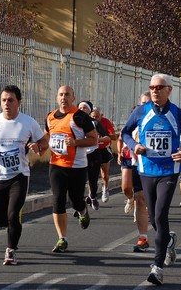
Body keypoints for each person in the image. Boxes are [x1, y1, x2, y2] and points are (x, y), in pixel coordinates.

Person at [121, 74, 181, 285]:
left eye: (159, 87)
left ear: (169, 90)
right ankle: (169, 239)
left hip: (169, 169)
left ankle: (157, 267)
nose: (155, 90)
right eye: (152, 87)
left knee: (160, 214)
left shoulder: (177, 113)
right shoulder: (141, 111)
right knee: (155, 219)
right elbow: (125, 132)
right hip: (146, 169)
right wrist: (133, 146)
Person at [0, 85, 49, 265]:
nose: (7, 103)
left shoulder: (28, 122)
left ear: (19, 102)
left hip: (19, 175)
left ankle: (11, 250)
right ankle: (11, 223)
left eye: (10, 100)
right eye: (4, 100)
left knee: (12, 214)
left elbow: (43, 141)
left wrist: (37, 147)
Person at [45, 85, 97, 252]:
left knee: (75, 200)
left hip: (77, 166)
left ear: (73, 97)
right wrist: (39, 145)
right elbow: (47, 135)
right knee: (58, 200)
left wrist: (76, 143)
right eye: (60, 94)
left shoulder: (81, 117)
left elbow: (93, 140)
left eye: (67, 94)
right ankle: (62, 238)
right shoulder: (50, 117)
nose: (63, 97)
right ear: (56, 97)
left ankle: (83, 211)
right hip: (56, 165)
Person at [117, 91, 150, 252]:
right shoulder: (134, 118)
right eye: (142, 103)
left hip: (148, 164)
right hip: (131, 159)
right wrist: (122, 150)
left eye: (147, 103)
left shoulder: (159, 120)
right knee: (127, 189)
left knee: (142, 198)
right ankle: (130, 199)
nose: (144, 106)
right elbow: (123, 135)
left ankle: (143, 237)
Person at [78, 101, 111, 210]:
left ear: (89, 110)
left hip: (93, 154)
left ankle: (92, 196)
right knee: (79, 181)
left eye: (85, 108)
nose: (82, 109)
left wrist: (97, 139)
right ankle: (80, 204)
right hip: (78, 155)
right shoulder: (72, 122)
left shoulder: (94, 123)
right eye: (80, 107)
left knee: (93, 179)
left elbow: (107, 137)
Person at [90, 106, 116, 203]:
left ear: (101, 116)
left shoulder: (106, 122)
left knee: (104, 173)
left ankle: (105, 188)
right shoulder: (88, 123)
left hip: (104, 149)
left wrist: (102, 137)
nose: (95, 119)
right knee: (92, 174)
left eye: (97, 116)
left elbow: (113, 136)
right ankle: (92, 194)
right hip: (92, 149)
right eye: (93, 116)